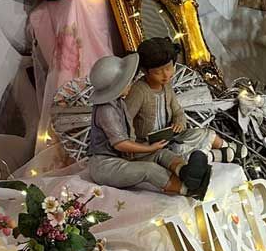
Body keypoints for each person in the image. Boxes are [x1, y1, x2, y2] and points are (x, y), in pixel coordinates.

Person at [87, 53, 212, 198]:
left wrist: (150, 149)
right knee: (149, 169)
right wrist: (148, 148)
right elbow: (120, 144)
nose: (131, 84)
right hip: (106, 165)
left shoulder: (118, 102)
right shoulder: (106, 109)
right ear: (116, 86)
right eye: (126, 82)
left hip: (123, 157)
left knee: (161, 154)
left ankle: (186, 172)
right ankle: (188, 189)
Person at [125, 37, 242, 163]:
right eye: (158, 72)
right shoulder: (139, 91)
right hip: (148, 145)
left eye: (169, 68)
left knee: (203, 133)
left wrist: (179, 122)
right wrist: (133, 146)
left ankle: (227, 147)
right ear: (145, 71)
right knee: (178, 153)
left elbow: (177, 110)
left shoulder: (167, 87)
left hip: (169, 137)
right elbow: (126, 120)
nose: (166, 75)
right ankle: (216, 156)